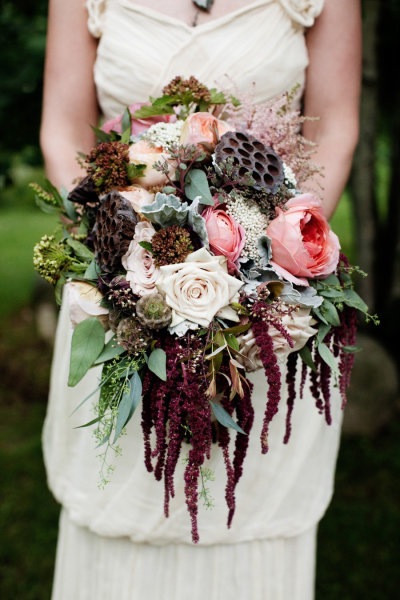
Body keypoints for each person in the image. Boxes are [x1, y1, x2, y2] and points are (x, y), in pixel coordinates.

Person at [39, 1, 362, 599]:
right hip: (121, 300)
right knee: (120, 514)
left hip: (267, 309)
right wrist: (117, 244)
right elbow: (62, 129)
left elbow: (335, 127)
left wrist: (270, 251)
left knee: (251, 528)